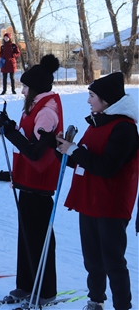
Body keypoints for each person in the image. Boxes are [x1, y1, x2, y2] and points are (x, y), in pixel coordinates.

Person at [57, 72, 138, 310]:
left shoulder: (124, 128)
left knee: (112, 260)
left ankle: (122, 305)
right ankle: (95, 300)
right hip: (90, 198)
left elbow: (106, 167)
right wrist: (62, 149)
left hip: (111, 203)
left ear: (107, 100)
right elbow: (84, 158)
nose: (88, 101)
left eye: (92, 96)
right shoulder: (96, 122)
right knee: (92, 258)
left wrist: (74, 151)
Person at [0, 54, 62, 303]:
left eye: (25, 86)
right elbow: (27, 137)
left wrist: (10, 132)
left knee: (39, 238)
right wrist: (8, 125)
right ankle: (26, 284)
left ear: (35, 89)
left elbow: (36, 151)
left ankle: (45, 290)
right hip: (28, 182)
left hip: (40, 183)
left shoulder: (47, 112)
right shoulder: (36, 108)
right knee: (26, 237)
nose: (21, 91)